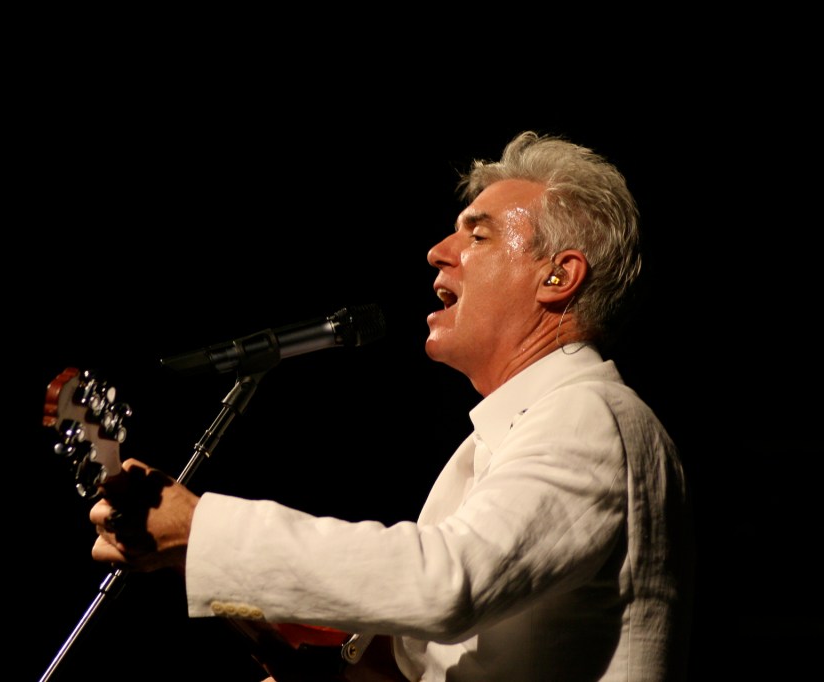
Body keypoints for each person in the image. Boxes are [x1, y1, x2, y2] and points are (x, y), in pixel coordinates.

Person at [89, 131, 694, 681]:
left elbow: (445, 584)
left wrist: (201, 529)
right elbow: (427, 650)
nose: (438, 250)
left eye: (478, 234)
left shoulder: (591, 414)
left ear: (558, 278)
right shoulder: (503, 437)